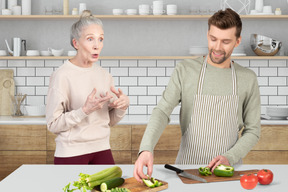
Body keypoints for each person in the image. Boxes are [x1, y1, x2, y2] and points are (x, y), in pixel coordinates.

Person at [134, 8, 261, 181]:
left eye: (225, 41)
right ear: (207, 34)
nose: (217, 47)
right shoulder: (185, 70)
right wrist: (146, 148)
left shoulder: (248, 78)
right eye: (213, 39)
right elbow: (162, 111)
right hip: (187, 169)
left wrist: (229, 157)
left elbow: (253, 130)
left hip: (228, 172)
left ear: (237, 42)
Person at [46, 10, 129, 165]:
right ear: (76, 43)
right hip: (71, 153)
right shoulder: (62, 75)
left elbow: (109, 121)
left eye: (101, 39)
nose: (97, 46)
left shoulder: (105, 75)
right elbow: (53, 124)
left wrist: (122, 107)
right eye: (90, 39)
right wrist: (84, 111)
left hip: (103, 150)